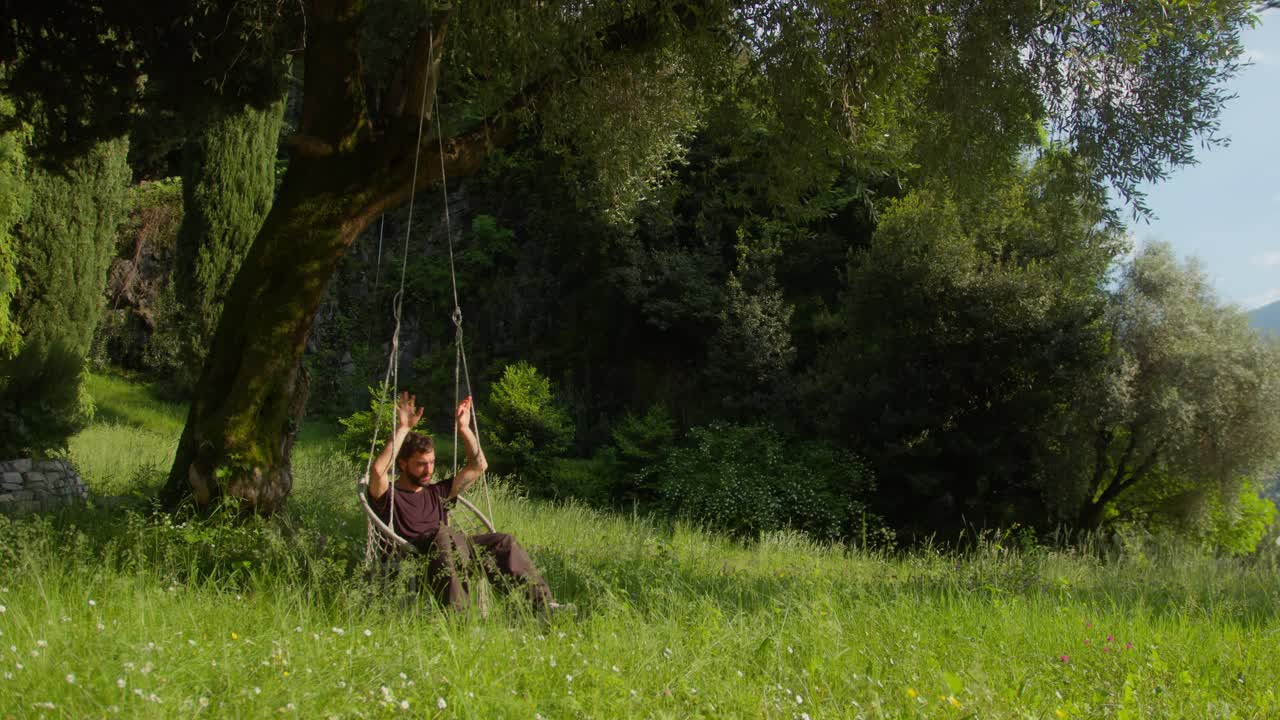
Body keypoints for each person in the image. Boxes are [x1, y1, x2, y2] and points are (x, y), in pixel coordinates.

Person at [368, 391, 557, 615]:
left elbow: (479, 466)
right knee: (444, 535)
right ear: (402, 464)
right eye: (421, 464)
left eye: (432, 463)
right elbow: (378, 470)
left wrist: (465, 429)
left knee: (502, 541)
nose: (429, 470)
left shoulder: (438, 492)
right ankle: (461, 620)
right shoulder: (388, 496)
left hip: (452, 548)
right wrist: (404, 428)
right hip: (415, 555)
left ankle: (544, 608)